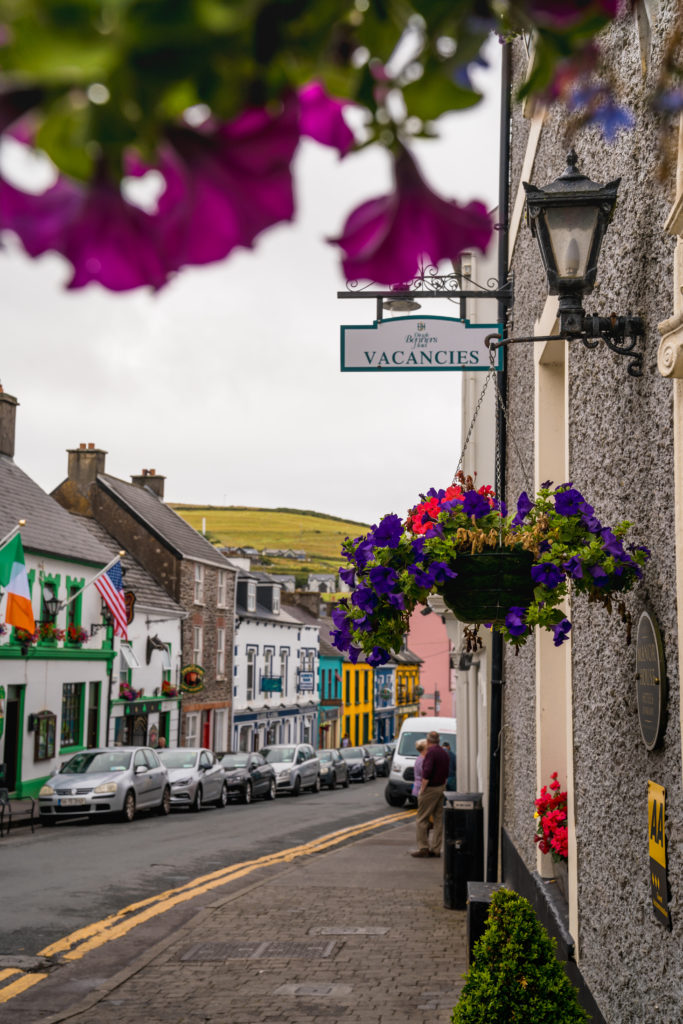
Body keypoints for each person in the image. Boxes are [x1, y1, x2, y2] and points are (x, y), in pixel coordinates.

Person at [410, 730, 450, 858]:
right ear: (438, 741)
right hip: (441, 787)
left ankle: (423, 848)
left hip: (431, 788)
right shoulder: (444, 753)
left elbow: (426, 772)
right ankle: (436, 849)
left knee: (422, 819)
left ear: (428, 742)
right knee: (438, 819)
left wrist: (422, 789)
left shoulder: (431, 753)